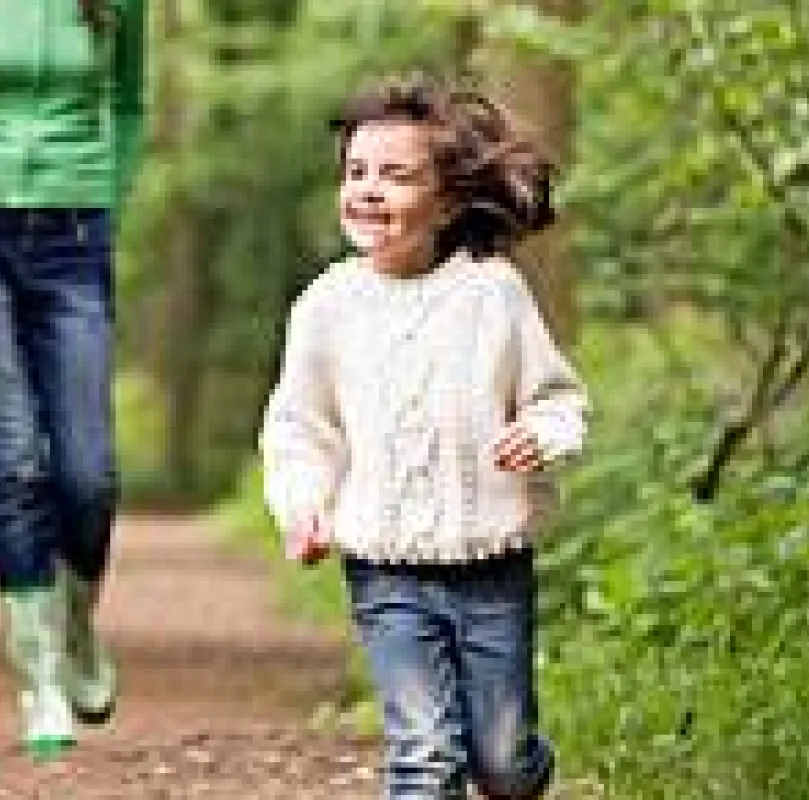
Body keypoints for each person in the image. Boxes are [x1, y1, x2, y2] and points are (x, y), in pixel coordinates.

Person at [259, 75, 585, 800]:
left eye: (395, 175)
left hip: (491, 564)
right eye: (356, 173)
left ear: (445, 201)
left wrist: (541, 435)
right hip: (386, 570)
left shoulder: (491, 293)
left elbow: (558, 398)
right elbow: (298, 428)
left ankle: (526, 769)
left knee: (500, 763)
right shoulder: (327, 307)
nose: (368, 189)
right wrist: (303, 503)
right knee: (423, 752)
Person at [0, 0, 145, 760]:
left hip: (75, 237)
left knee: (90, 475)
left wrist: (107, 199)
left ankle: (77, 619)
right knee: (17, 463)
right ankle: (40, 679)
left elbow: (127, 102)